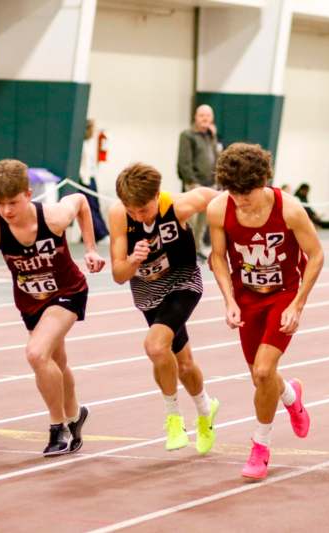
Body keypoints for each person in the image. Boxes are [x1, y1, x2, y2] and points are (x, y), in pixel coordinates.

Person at [0, 159, 104, 456]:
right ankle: (75, 416)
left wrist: (90, 248)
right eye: (0, 203)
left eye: (12, 202)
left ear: (28, 194)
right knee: (57, 362)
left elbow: (80, 202)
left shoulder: (52, 216)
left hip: (67, 292)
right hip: (30, 303)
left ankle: (57, 429)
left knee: (37, 354)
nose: (7, 211)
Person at [207, 143, 323, 480]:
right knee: (262, 378)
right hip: (246, 299)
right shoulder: (219, 209)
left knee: (262, 372)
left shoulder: (290, 209)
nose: (240, 199)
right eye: (234, 192)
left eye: (247, 193)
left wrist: (298, 303)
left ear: (263, 181)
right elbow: (218, 257)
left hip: (282, 296)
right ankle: (291, 396)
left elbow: (315, 255)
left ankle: (260, 445)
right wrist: (228, 300)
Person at [109, 163, 220, 454]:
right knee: (183, 364)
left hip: (183, 282)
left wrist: (222, 248)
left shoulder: (179, 206)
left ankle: (174, 419)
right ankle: (206, 411)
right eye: (131, 210)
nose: (137, 215)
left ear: (157, 195)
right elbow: (119, 275)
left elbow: (218, 199)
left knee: (156, 346)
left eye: (143, 210)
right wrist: (133, 260)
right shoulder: (119, 216)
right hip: (148, 293)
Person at [177, 105, 221, 259]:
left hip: (210, 184)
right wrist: (192, 182)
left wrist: (216, 181)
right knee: (191, 221)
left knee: (203, 222)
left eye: (208, 116)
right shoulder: (187, 135)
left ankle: (196, 248)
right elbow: (184, 163)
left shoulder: (210, 136)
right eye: (202, 115)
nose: (205, 118)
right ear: (195, 117)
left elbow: (216, 157)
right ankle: (185, 250)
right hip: (194, 185)